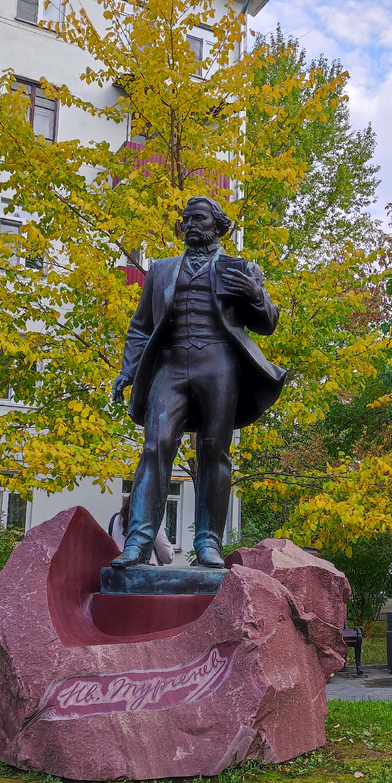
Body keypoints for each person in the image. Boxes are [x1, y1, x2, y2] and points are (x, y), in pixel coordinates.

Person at [111, 196, 285, 569]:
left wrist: (255, 295)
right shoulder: (161, 270)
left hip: (219, 365)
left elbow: (267, 323)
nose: (190, 223)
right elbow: (140, 327)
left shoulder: (239, 267)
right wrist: (128, 371)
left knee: (214, 452)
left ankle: (208, 542)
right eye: (186, 218)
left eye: (199, 218)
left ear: (218, 225)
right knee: (155, 446)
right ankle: (138, 542)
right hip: (170, 367)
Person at [107, 496, 174, 566]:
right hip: (145, 572)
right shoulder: (152, 520)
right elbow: (168, 556)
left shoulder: (115, 520)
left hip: (119, 571)